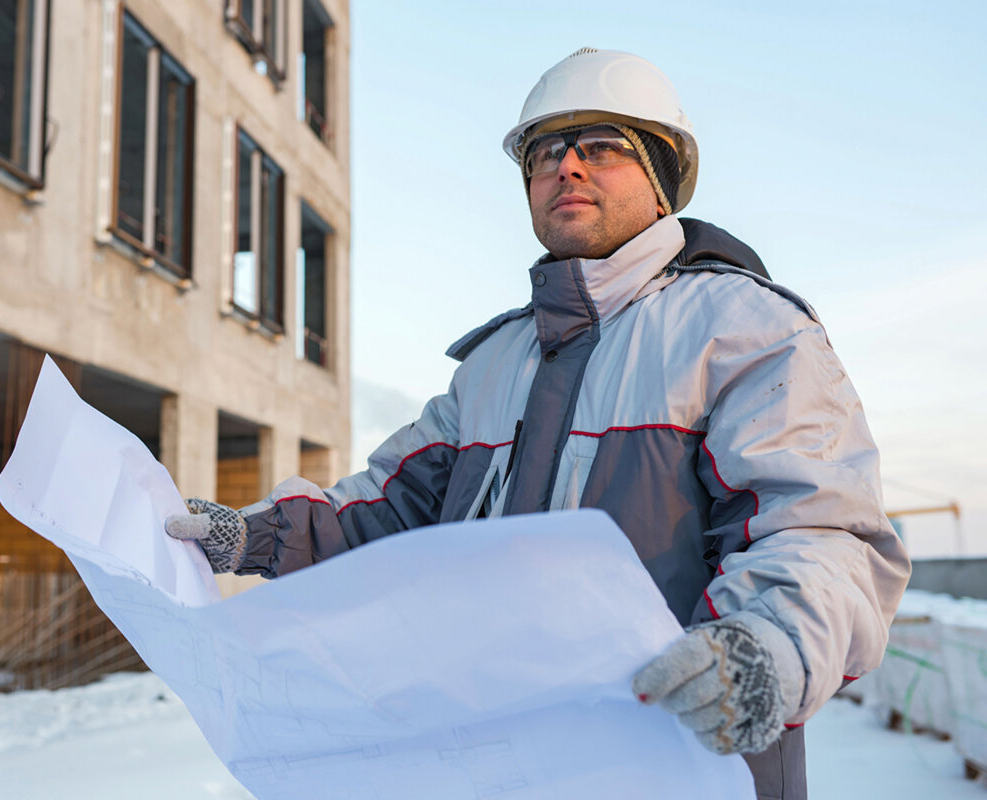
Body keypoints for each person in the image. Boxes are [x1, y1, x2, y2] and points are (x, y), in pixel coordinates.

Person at [166, 48, 910, 799]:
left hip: (685, 767)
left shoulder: (743, 328)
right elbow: (384, 509)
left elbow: (820, 530)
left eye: (603, 148)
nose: (568, 168)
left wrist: (766, 648)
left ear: (660, 183)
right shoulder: (494, 364)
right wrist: (249, 534)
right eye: (546, 152)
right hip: (509, 763)